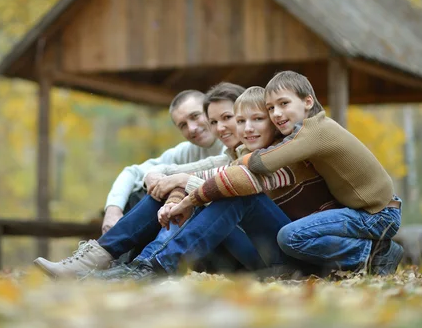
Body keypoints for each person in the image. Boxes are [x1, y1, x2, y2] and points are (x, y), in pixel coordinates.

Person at [159, 71, 403, 278]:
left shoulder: (314, 131)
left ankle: (371, 254)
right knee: (289, 235)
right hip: (365, 210)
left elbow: (264, 162)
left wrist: (239, 157)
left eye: (283, 104)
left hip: (377, 214)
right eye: (271, 108)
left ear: (308, 102)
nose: (276, 113)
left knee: (291, 236)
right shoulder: (306, 132)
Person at [95, 85, 338, 281]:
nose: (246, 128)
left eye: (254, 119)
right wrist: (169, 183)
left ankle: (153, 265)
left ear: (271, 120)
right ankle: (115, 260)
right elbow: (187, 172)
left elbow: (235, 181)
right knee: (193, 191)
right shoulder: (240, 154)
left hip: (301, 257)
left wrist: (186, 190)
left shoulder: (286, 150)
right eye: (241, 121)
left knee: (234, 194)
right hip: (263, 254)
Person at [34, 83, 260, 278]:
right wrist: (124, 201)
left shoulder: (252, 150)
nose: (218, 127)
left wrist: (177, 188)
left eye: (228, 118)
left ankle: (130, 265)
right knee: (152, 191)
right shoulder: (221, 152)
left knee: (180, 192)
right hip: (208, 240)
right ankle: (112, 261)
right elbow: (142, 172)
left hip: (241, 244)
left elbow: (223, 183)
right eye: (183, 124)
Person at [102, 89, 224, 234]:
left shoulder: (234, 144)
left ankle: (112, 249)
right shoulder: (186, 151)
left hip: (226, 227)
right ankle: (116, 250)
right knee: (145, 193)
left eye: (195, 116)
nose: (192, 128)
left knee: (173, 194)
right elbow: (132, 172)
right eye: (183, 125)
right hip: (189, 228)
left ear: (210, 110)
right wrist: (113, 210)